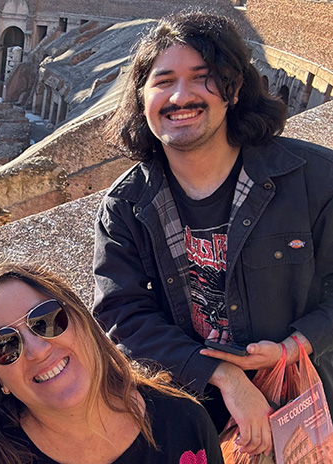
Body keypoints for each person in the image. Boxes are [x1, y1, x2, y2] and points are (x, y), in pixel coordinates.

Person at [94, 10, 333, 457]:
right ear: (142, 97)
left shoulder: (315, 179)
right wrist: (223, 376)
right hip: (198, 412)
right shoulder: (126, 205)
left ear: (234, 90)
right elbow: (122, 313)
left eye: (201, 78)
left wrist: (294, 347)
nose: (180, 96)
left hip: (308, 397)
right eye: (163, 81)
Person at [0, 263, 221, 464]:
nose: (38, 350)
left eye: (48, 319)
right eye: (4, 345)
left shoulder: (183, 420)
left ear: (83, 320)